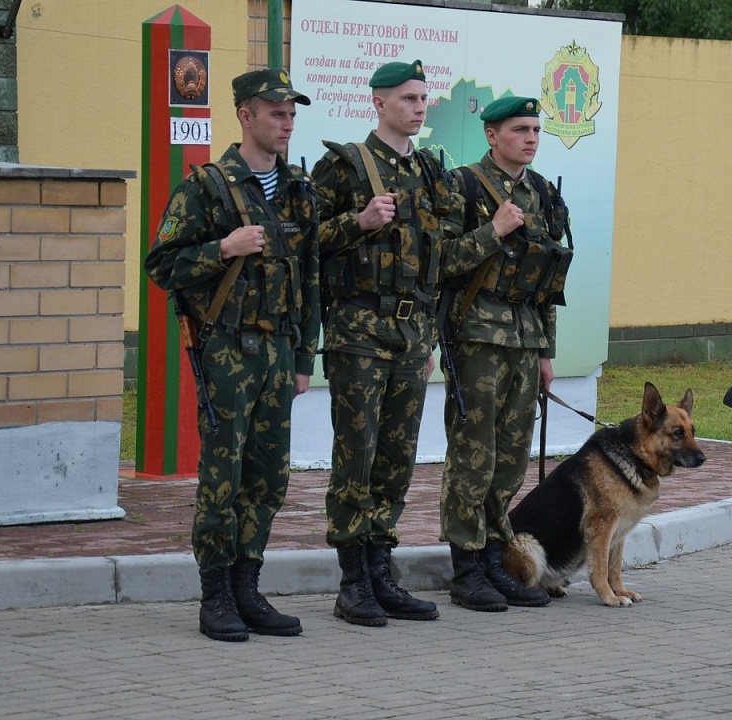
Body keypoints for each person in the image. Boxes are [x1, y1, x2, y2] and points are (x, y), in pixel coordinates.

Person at [310, 60, 502, 627]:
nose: (419, 107)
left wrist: (491, 236)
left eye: (423, 97)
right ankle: (352, 583)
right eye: (408, 98)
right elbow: (303, 244)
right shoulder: (342, 167)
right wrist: (358, 222)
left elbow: (444, 257)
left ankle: (380, 571)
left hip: (411, 331)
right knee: (358, 453)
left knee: (396, 459)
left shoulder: (430, 173)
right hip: (359, 333)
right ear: (378, 102)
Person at [144, 68, 319, 642]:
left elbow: (310, 279)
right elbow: (161, 265)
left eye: (291, 113)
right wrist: (223, 247)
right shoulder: (209, 187)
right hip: (227, 349)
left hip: (277, 350)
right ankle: (215, 594)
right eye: (276, 113)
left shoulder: (299, 189)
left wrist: (303, 357)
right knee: (224, 473)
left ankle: (249, 586)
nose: (286, 122)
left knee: (269, 477)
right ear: (246, 115)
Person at [438, 96, 571, 612]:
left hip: (523, 340)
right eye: (520, 129)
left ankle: (495, 556)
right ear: (493, 135)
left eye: (537, 129)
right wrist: (492, 231)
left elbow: (547, 280)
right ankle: (467, 566)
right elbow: (443, 261)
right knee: (474, 456)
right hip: (476, 339)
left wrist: (545, 350)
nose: (532, 137)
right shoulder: (464, 186)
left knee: (511, 460)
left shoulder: (541, 193)